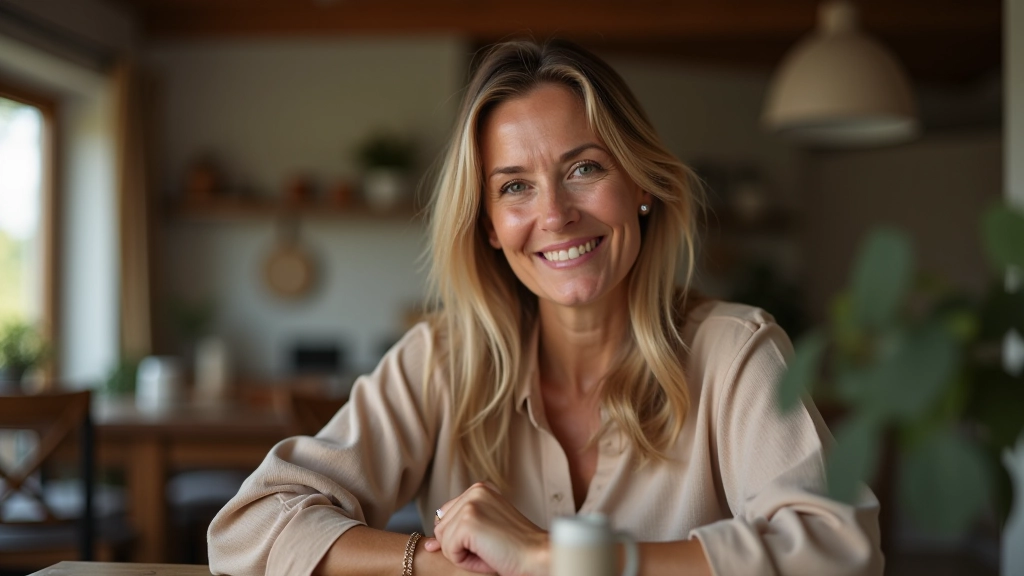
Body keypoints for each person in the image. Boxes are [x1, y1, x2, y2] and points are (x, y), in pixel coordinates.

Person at [207, 39, 883, 576]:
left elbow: (838, 550)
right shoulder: (441, 359)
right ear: (490, 228)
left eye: (585, 168)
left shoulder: (736, 351)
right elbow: (248, 527)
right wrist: (427, 565)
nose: (555, 214)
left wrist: (560, 560)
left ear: (641, 186)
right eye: (516, 187)